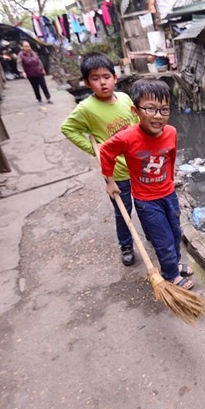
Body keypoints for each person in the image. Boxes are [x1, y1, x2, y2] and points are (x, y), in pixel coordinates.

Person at [99, 79, 194, 289]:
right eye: (150, 109)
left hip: (168, 194)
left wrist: (170, 177)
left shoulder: (171, 132)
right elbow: (106, 152)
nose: (158, 115)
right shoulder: (127, 137)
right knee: (163, 240)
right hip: (147, 201)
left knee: (176, 233)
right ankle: (170, 275)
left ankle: (174, 265)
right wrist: (111, 181)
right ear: (135, 111)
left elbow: (171, 155)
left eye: (163, 109)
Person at [60, 52, 140, 266]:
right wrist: (95, 150)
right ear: (86, 82)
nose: (102, 82)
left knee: (145, 205)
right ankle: (126, 245)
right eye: (95, 78)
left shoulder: (124, 98)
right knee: (123, 210)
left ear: (115, 77)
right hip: (116, 171)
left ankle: (151, 236)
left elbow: (137, 122)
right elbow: (68, 129)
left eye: (106, 76)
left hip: (138, 164)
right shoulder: (86, 109)